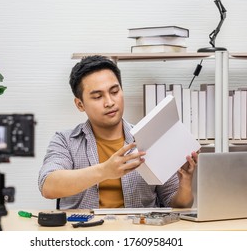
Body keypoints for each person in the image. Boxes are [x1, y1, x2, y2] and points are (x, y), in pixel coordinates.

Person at [38, 55, 198, 209]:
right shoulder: (65, 140)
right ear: (80, 104)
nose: (109, 102)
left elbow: (178, 206)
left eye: (114, 92)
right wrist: (104, 171)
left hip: (139, 233)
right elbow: (48, 186)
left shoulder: (150, 136)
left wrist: (185, 183)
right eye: (98, 96)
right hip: (84, 233)